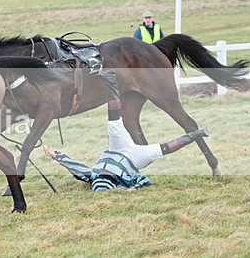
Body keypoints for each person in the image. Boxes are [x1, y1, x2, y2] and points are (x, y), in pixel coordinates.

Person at [44, 70, 207, 191]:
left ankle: (111, 83)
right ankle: (195, 134)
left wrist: (57, 156)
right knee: (164, 149)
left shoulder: (92, 174)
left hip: (116, 149)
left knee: (113, 124)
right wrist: (133, 189)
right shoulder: (124, 179)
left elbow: (76, 167)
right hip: (133, 158)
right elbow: (144, 180)